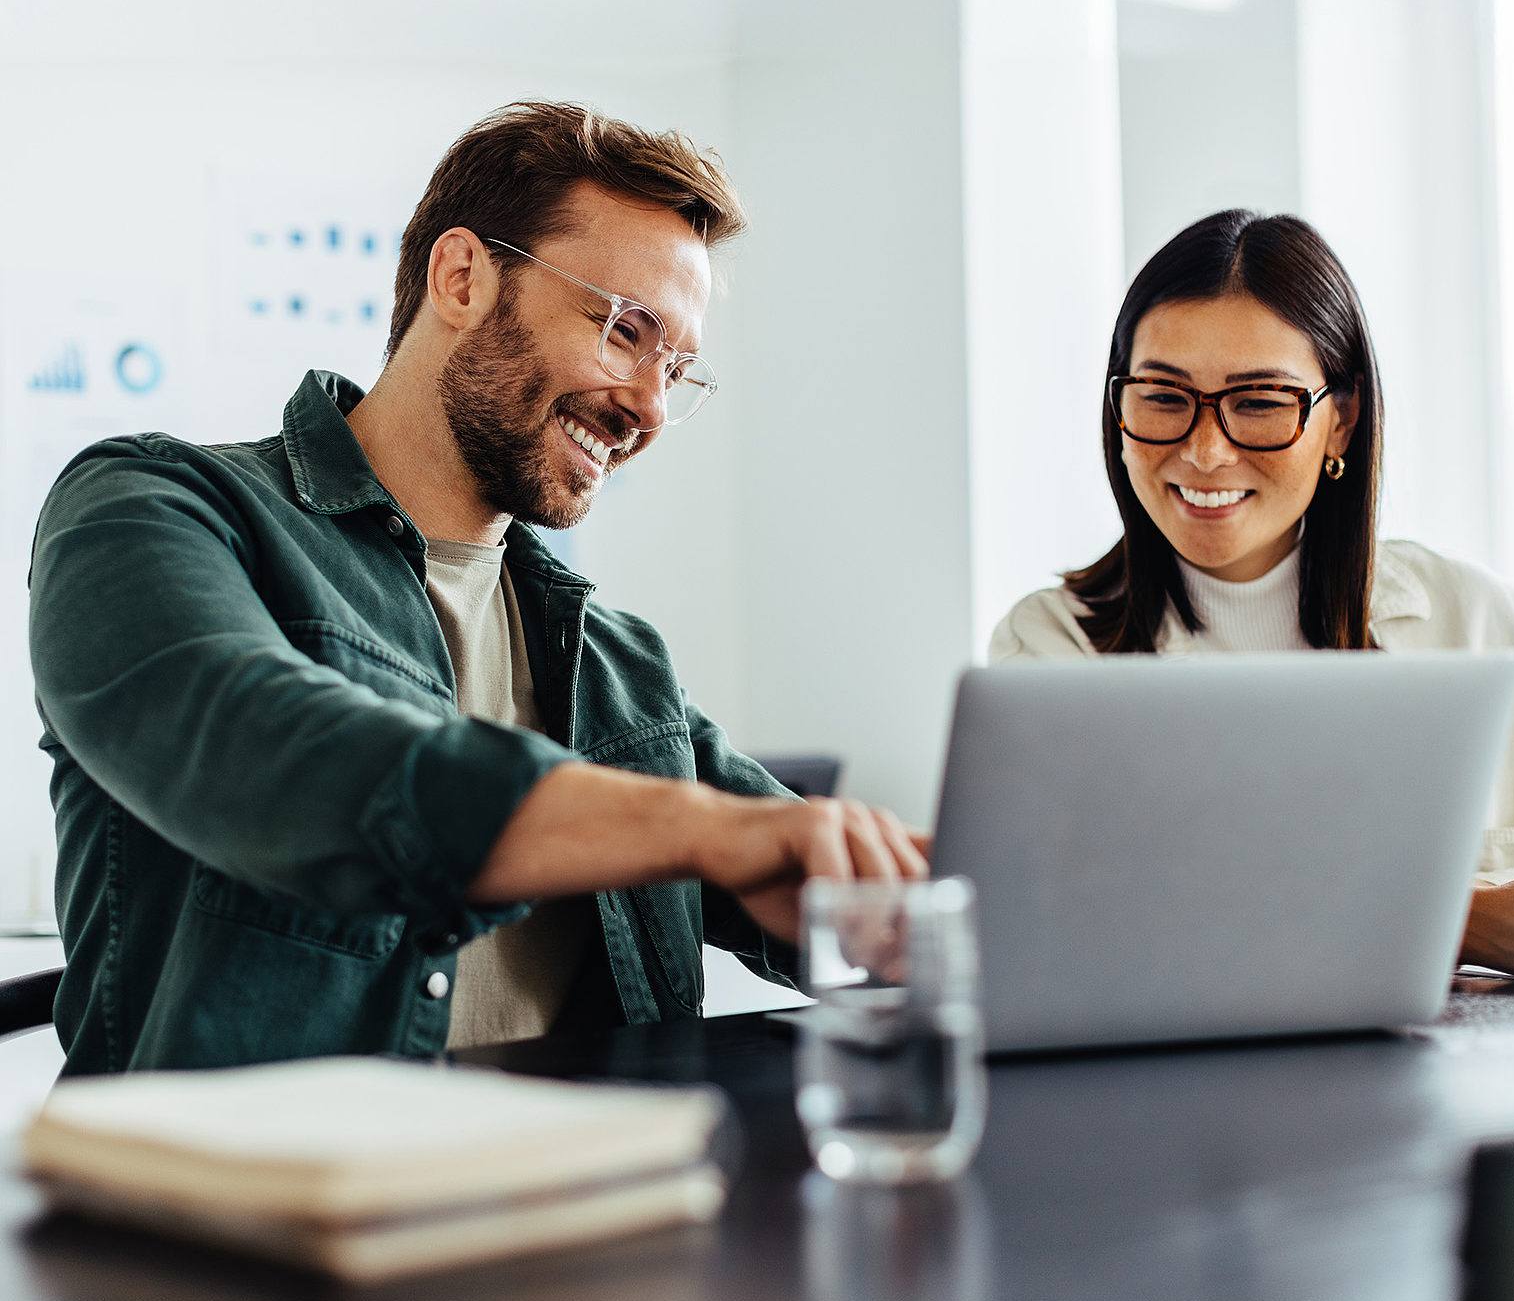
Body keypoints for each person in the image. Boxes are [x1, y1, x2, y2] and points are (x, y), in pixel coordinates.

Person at [30, 101, 925, 1076]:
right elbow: (281, 755)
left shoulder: (619, 664)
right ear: (461, 278)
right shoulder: (152, 507)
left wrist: (897, 898)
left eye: (677, 368)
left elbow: (790, 859)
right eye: (625, 331)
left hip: (600, 1197)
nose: (650, 408)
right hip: (263, 1208)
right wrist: (705, 830)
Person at [991, 208, 1514, 980]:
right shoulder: (1049, 651)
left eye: (1259, 403)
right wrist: (1464, 921)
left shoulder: (1491, 625)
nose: (1205, 450)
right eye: (1163, 396)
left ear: (1342, 422)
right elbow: (1070, 929)